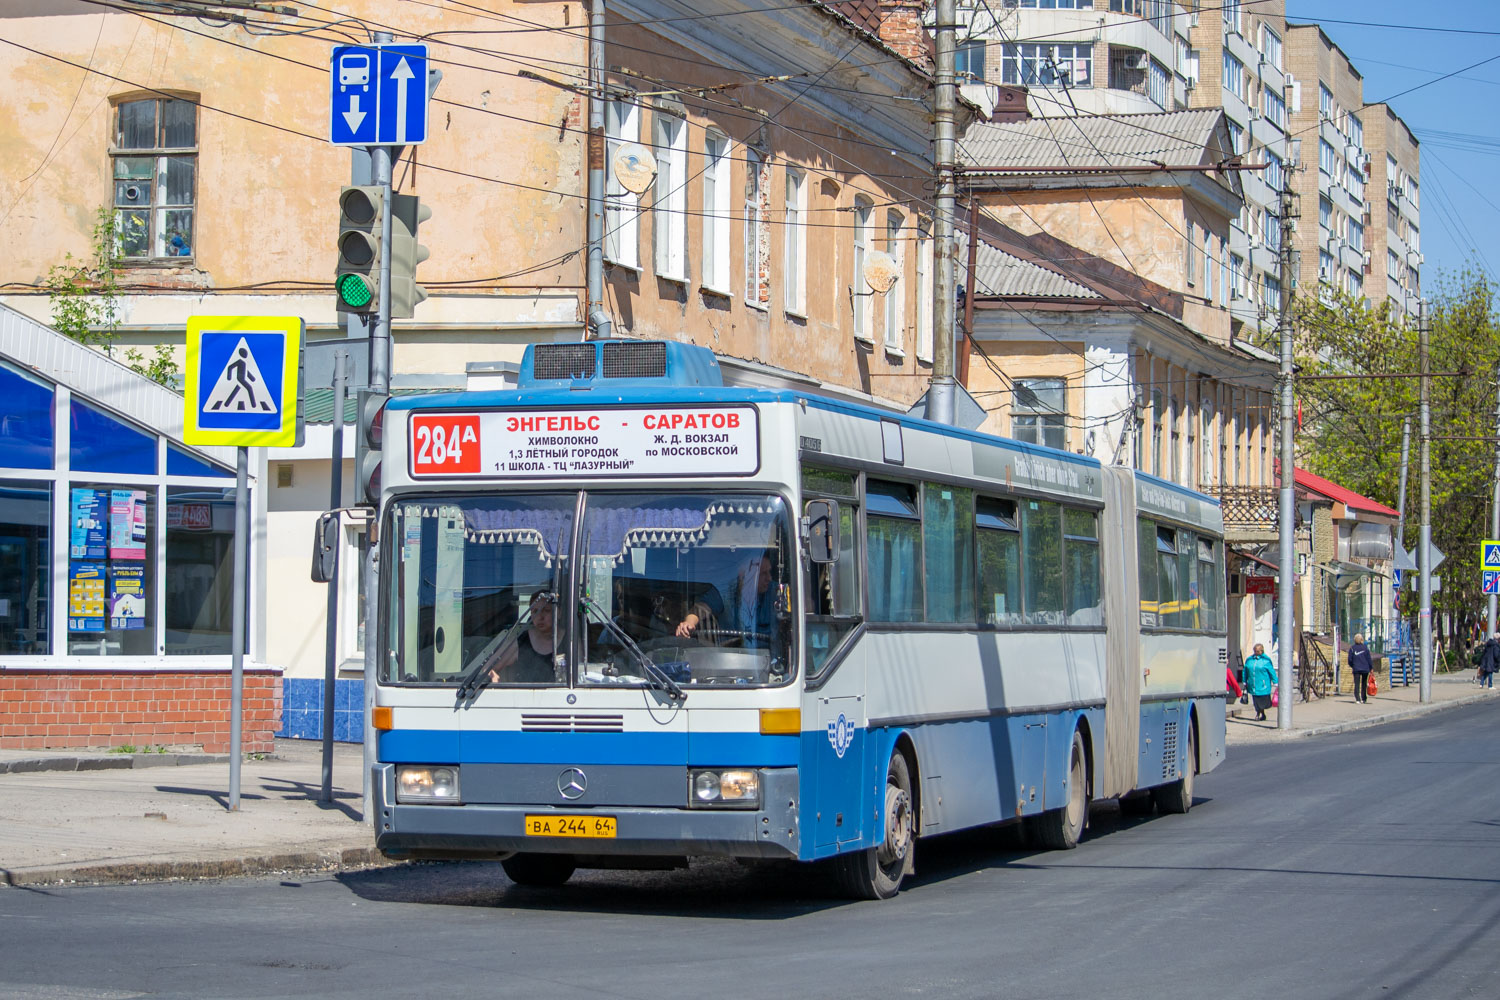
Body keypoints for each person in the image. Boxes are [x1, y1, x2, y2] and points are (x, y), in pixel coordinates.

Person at [676, 551, 779, 647]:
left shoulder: (775, 592)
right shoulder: (725, 591)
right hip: (728, 658)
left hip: (769, 661)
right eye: (763, 574)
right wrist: (688, 623)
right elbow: (701, 609)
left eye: (769, 572)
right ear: (745, 574)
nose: (769, 578)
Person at [486, 591, 557, 684]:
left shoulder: (571, 643)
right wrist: (493, 679)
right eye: (535, 611)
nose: (540, 616)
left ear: (558, 613)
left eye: (546, 610)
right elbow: (487, 668)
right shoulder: (521, 641)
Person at [1242, 643, 1277, 721]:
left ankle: (1262, 713)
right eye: (1255, 651)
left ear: (1262, 651)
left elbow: (1271, 671)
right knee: (1256, 701)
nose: (1256, 653)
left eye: (1258, 651)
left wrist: (1275, 681)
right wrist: (1244, 680)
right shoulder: (1250, 660)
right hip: (1253, 684)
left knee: (1262, 702)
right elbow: (1245, 670)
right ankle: (1258, 714)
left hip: (1263, 685)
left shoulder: (1266, 660)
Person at [1349, 632, 1374, 703]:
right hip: (1365, 668)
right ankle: (1364, 698)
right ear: (1361, 639)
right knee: (1364, 683)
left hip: (1356, 668)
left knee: (1356, 684)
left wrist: (1353, 666)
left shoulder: (1352, 648)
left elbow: (1350, 659)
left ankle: (1357, 699)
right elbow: (1369, 658)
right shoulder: (1365, 648)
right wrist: (1371, 667)